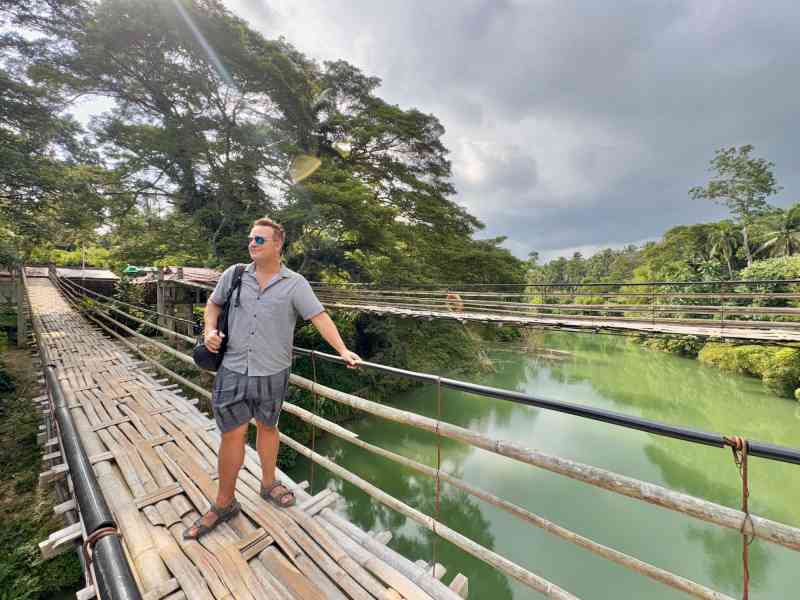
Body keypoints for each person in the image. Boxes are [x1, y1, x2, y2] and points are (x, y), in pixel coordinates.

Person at [183, 216, 361, 540]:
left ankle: (268, 484)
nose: (252, 243)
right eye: (251, 238)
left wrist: (343, 350)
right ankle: (224, 503)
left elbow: (319, 317)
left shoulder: (295, 284)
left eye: (260, 240)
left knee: (268, 426)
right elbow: (213, 305)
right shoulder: (234, 274)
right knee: (232, 435)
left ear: (278, 244)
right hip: (233, 369)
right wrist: (209, 330)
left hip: (273, 371)